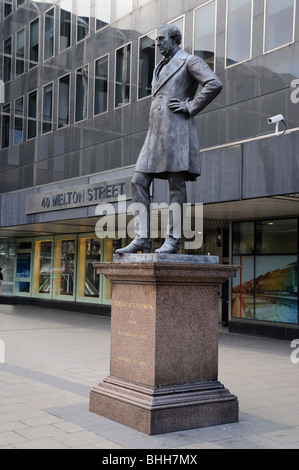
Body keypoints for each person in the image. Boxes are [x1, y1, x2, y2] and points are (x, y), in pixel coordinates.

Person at [116, 24, 223, 254]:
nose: (157, 44)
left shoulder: (189, 61)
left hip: (176, 132)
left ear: (174, 39)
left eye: (161, 39)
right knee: (138, 180)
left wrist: (191, 105)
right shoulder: (159, 66)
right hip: (154, 133)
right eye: (156, 40)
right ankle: (142, 238)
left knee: (176, 184)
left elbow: (214, 83)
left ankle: (173, 240)